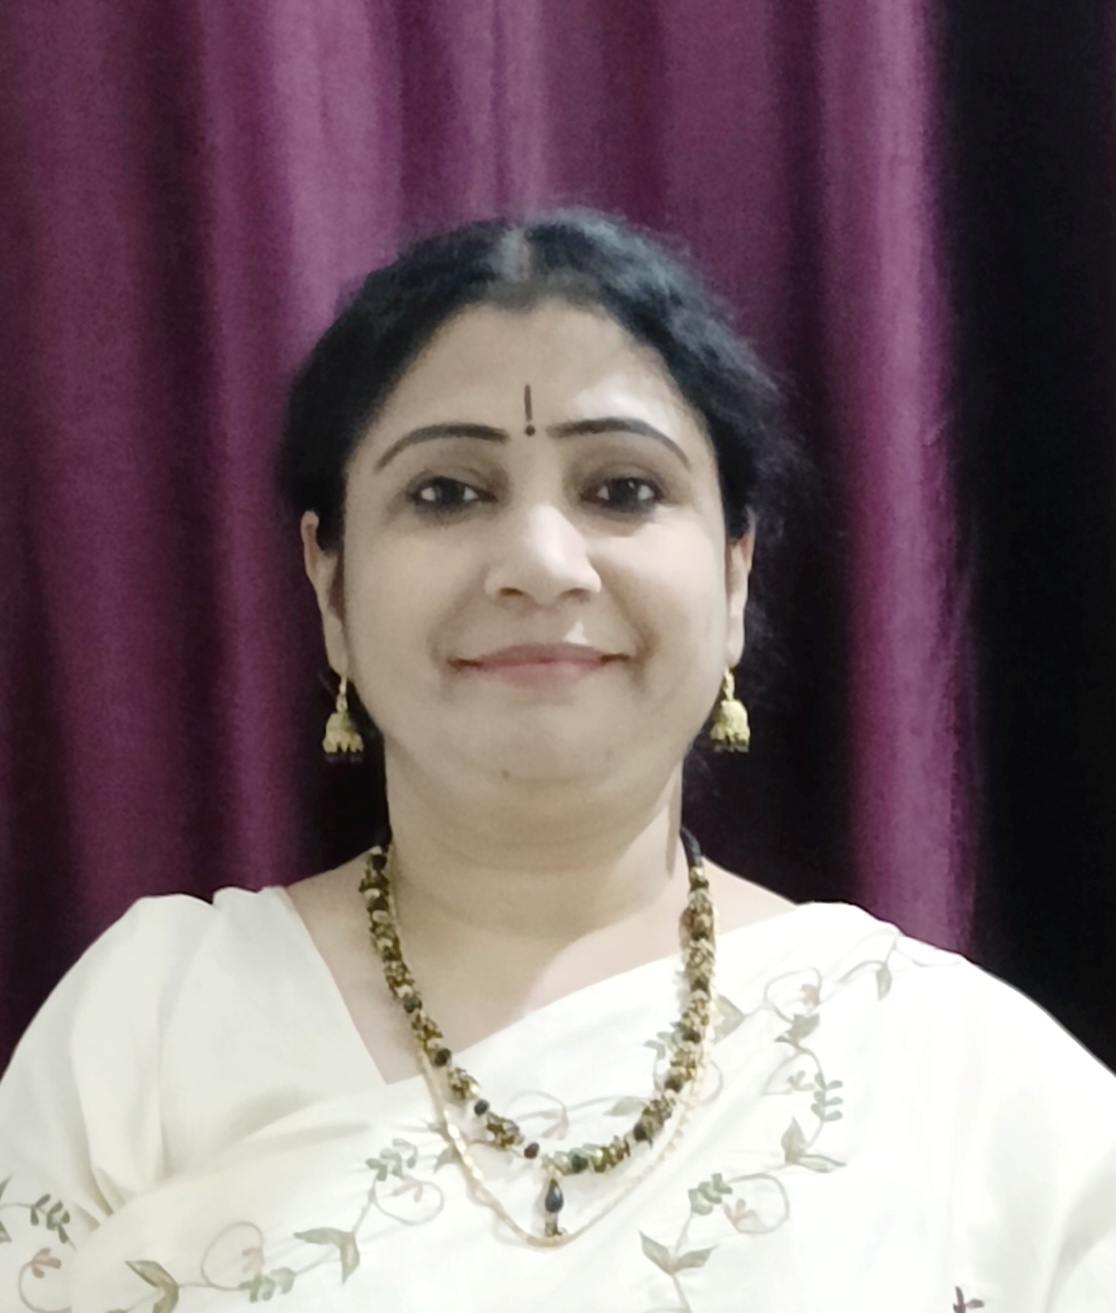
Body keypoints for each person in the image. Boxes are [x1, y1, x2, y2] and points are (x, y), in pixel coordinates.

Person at [1, 211, 1114, 1313]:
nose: (540, 561)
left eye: (623, 489)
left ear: (736, 573)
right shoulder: (149, 1030)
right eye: (447, 492)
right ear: (330, 585)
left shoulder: (955, 1079)